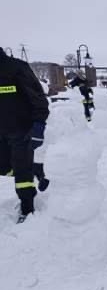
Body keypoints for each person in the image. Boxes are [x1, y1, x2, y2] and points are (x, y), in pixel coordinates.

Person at [0, 47, 49, 223]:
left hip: (21, 129)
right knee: (5, 167)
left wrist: (39, 125)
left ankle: (27, 208)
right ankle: (35, 168)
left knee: (21, 172)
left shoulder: (16, 67)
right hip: (1, 132)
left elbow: (38, 98)